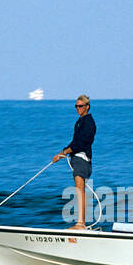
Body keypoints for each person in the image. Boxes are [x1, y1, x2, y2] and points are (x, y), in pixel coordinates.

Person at [52, 95, 95, 229]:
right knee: (80, 190)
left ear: (87, 107)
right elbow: (75, 142)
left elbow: (82, 142)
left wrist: (64, 152)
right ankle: (81, 222)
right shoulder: (80, 121)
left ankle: (80, 224)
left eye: (80, 106)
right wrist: (63, 152)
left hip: (81, 159)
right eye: (76, 106)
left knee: (80, 189)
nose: (78, 108)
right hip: (77, 158)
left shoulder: (88, 122)